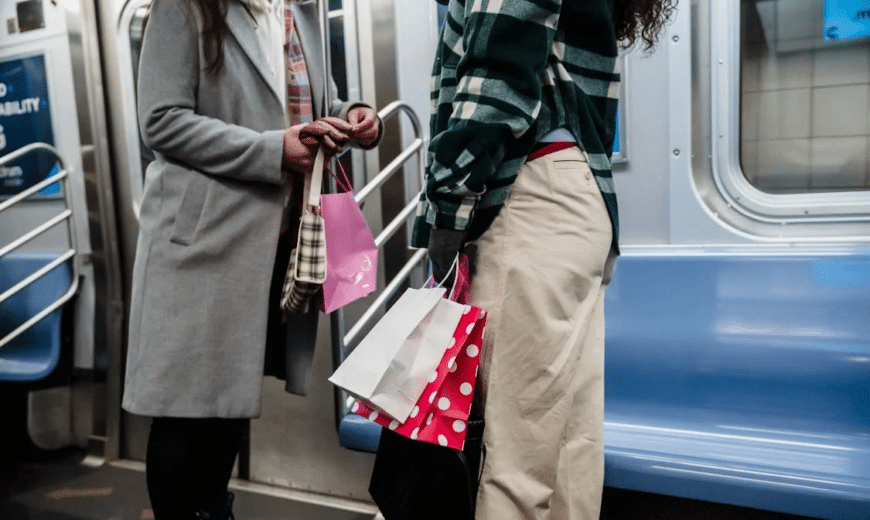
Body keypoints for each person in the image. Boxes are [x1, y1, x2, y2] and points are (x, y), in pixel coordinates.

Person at [413, 0, 675, 518]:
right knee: (567, 449)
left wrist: (446, 206)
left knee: (513, 461)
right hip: (578, 201)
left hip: (528, 198)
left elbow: (497, 84)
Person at [123, 0, 380, 518]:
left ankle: (213, 509)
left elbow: (300, 107)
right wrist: (272, 150)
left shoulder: (299, 11)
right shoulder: (184, 8)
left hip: (269, 244)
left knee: (228, 404)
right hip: (200, 243)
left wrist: (351, 117)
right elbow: (161, 121)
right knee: (183, 412)